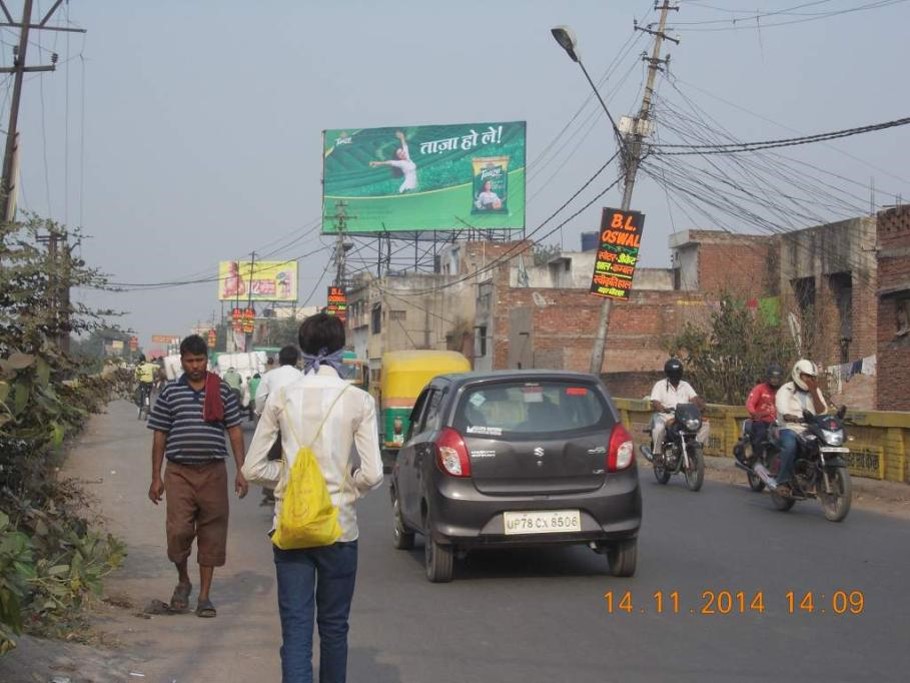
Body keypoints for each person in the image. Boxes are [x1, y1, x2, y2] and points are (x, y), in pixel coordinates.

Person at [243, 313, 383, 683]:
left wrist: (285, 478)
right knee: (334, 629)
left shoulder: (281, 397)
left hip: (291, 527)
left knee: (296, 631)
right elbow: (372, 473)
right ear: (342, 348)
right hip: (339, 529)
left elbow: (252, 469)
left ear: (303, 349)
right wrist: (347, 485)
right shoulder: (358, 400)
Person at [147, 335, 248, 618]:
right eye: (190, 361)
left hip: (213, 471)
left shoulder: (223, 391)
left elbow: (235, 430)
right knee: (178, 531)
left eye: (200, 360)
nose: (195, 365)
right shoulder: (169, 393)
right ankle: (183, 580)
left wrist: (242, 469)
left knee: (212, 533)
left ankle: (204, 596)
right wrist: (156, 477)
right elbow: (159, 435)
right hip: (179, 472)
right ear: (182, 361)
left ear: (207, 359)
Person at [254, 345, 303, 505]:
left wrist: (260, 412)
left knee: (272, 452)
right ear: (297, 360)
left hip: (275, 419)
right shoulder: (302, 375)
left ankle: (270, 489)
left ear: (279, 360)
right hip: (297, 421)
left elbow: (260, 398)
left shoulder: (270, 375)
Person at [772, 359, 828, 497]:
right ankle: (783, 482)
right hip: (789, 428)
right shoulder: (786, 389)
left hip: (809, 429)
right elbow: (783, 409)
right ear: (798, 374)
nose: (810, 380)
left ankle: (815, 479)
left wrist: (814, 391)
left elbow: (822, 411)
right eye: (807, 376)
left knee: (824, 444)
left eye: (813, 377)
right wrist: (792, 417)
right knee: (790, 445)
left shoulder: (815, 391)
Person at [648, 358, 709, 454]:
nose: (675, 377)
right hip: (666, 415)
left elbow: (694, 398)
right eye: (673, 374)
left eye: (677, 374)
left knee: (704, 424)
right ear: (668, 374)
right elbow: (655, 402)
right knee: (658, 428)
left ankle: (696, 449)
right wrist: (662, 408)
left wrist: (701, 406)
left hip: (683, 416)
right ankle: (657, 454)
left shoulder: (685, 385)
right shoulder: (660, 385)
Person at [743, 363, 784, 462]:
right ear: (768, 377)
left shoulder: (782, 391)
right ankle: (757, 459)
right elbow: (750, 403)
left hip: (777, 422)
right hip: (761, 421)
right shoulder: (760, 389)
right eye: (772, 378)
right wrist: (754, 414)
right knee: (761, 435)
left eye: (777, 378)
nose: (775, 380)